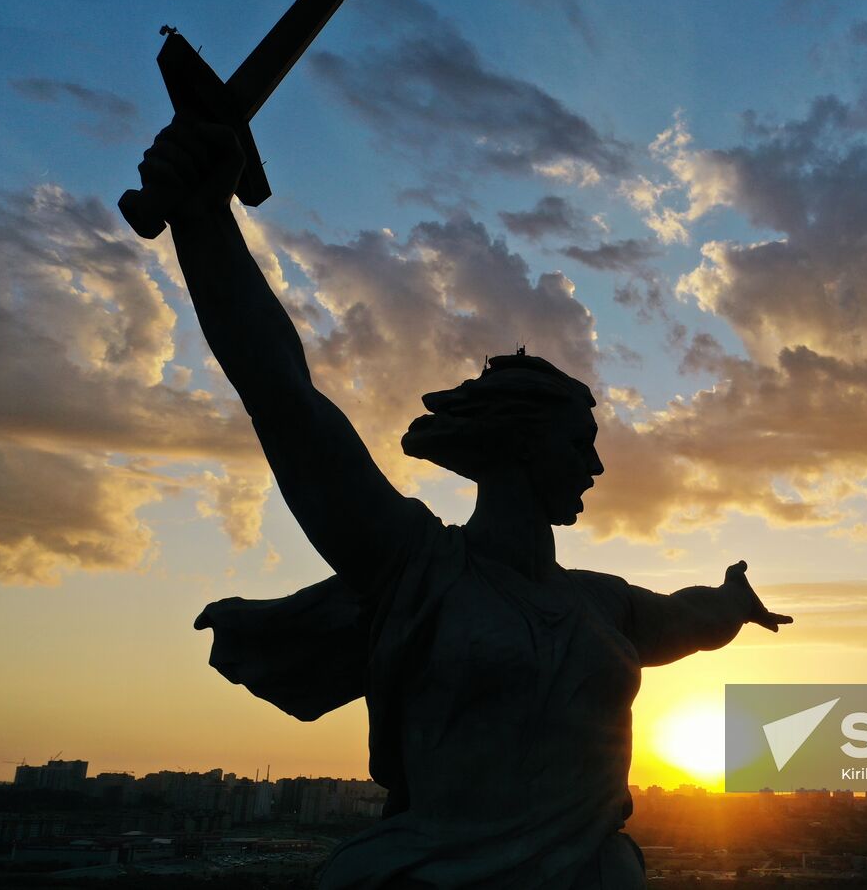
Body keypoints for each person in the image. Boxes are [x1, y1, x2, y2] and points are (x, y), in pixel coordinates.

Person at [136, 117, 792, 888]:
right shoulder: (417, 568)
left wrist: (732, 601)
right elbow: (284, 397)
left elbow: (688, 617)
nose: (595, 466)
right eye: (579, 443)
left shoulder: (602, 603)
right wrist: (204, 223)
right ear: (522, 440)